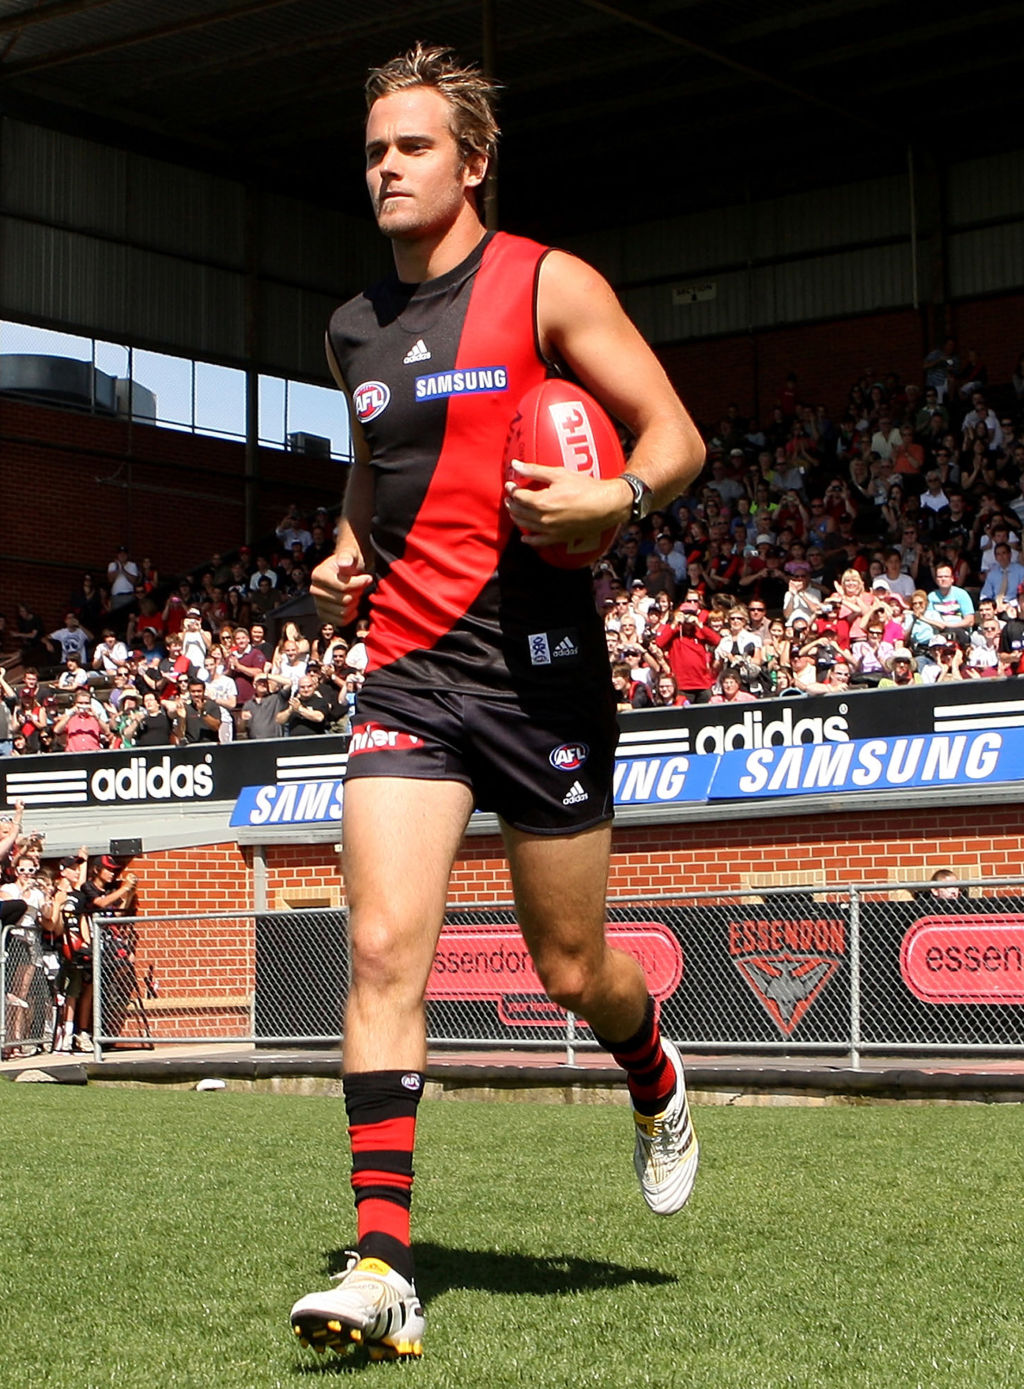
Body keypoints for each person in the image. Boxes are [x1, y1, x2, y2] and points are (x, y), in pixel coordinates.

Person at [289, 44, 705, 1360]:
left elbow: (677, 438)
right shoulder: (352, 325)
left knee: (571, 967)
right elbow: (378, 473)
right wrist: (349, 552)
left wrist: (616, 500)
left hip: (543, 677)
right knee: (377, 947)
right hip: (409, 672)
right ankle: (384, 1256)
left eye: (411, 147)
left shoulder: (547, 281)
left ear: (473, 161)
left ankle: (652, 1067)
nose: (386, 168)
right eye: (372, 150)